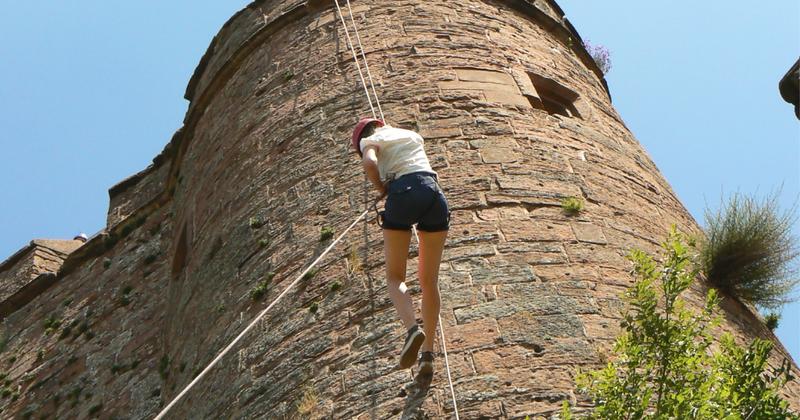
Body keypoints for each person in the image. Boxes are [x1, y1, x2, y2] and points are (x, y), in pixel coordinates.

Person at [351, 117, 450, 376]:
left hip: (402, 193)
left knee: (395, 276)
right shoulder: (411, 135)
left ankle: (412, 329)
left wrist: (380, 187)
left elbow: (370, 162)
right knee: (429, 280)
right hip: (434, 194)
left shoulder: (368, 140)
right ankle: (428, 353)